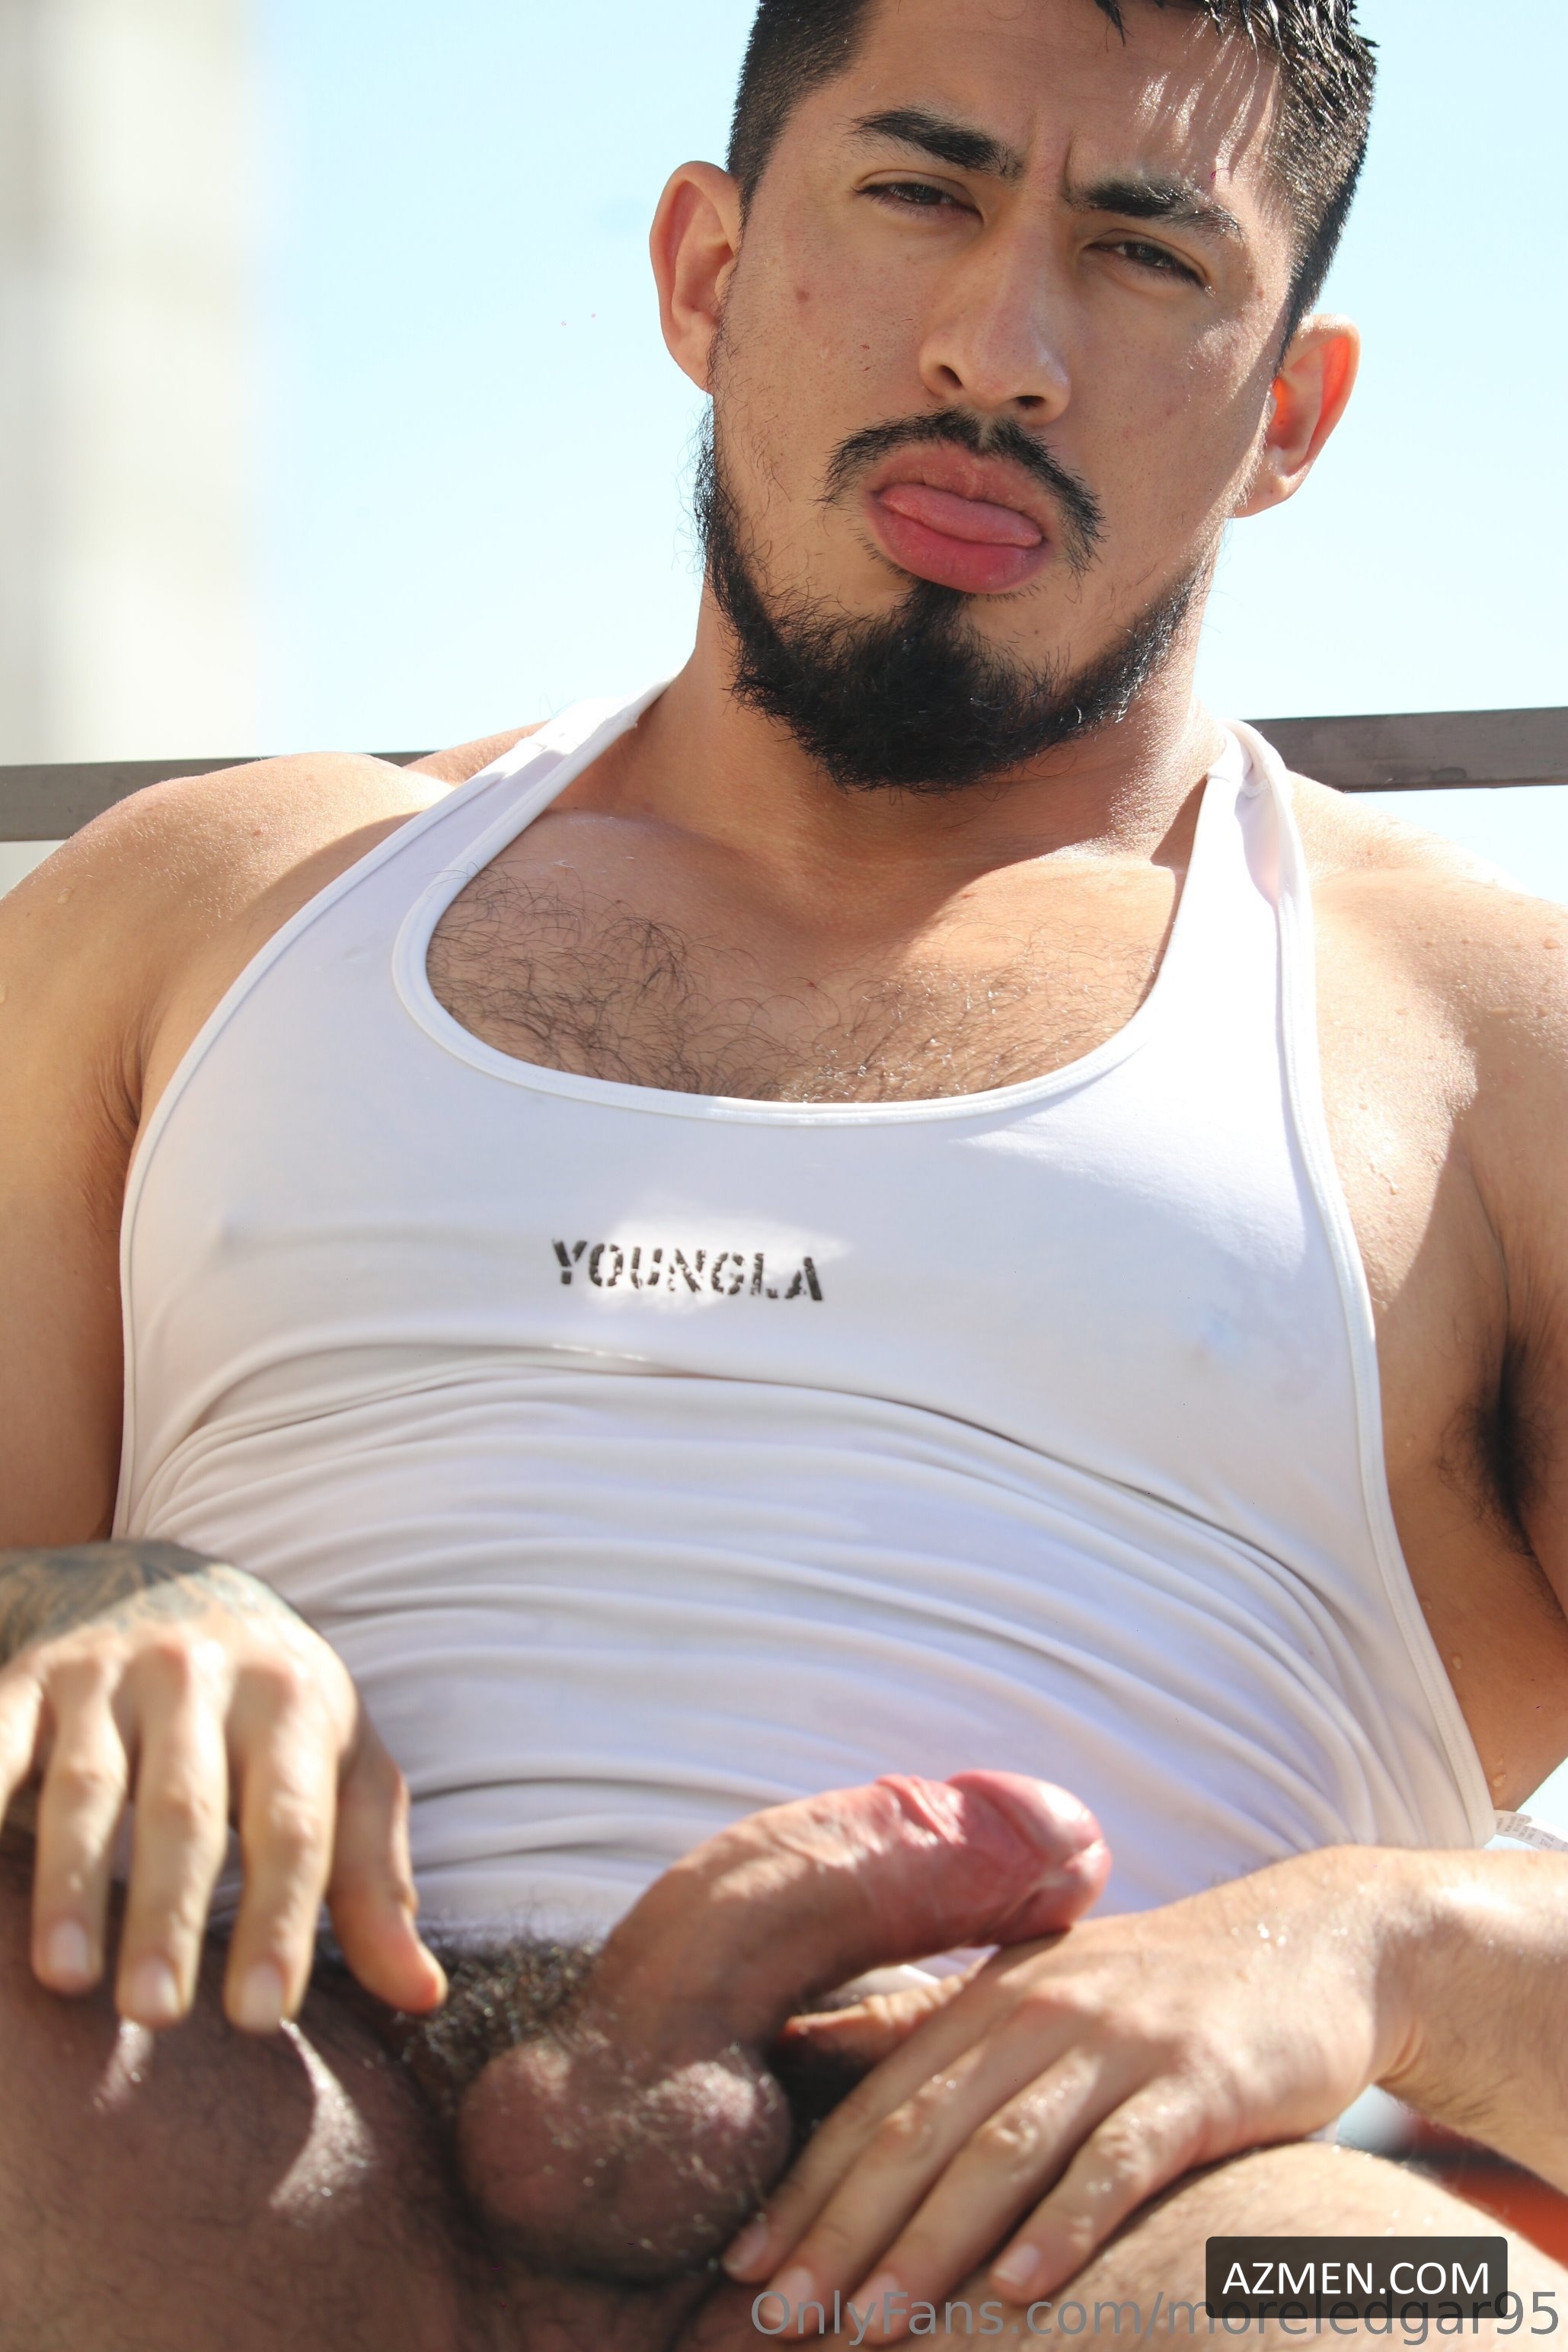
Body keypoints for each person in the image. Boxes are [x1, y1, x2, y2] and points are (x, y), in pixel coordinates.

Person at [1, 0, 1566, 2342]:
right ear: (706, 271)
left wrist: (1377, 1948)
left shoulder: (1488, 1046)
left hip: (1070, 2236)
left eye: (1144, 256)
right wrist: (71, 1596)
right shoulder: (200, 903)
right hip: (197, 2132)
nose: (998, 353)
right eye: (920, 195)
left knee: (1413, 2312)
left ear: (1288, 417)